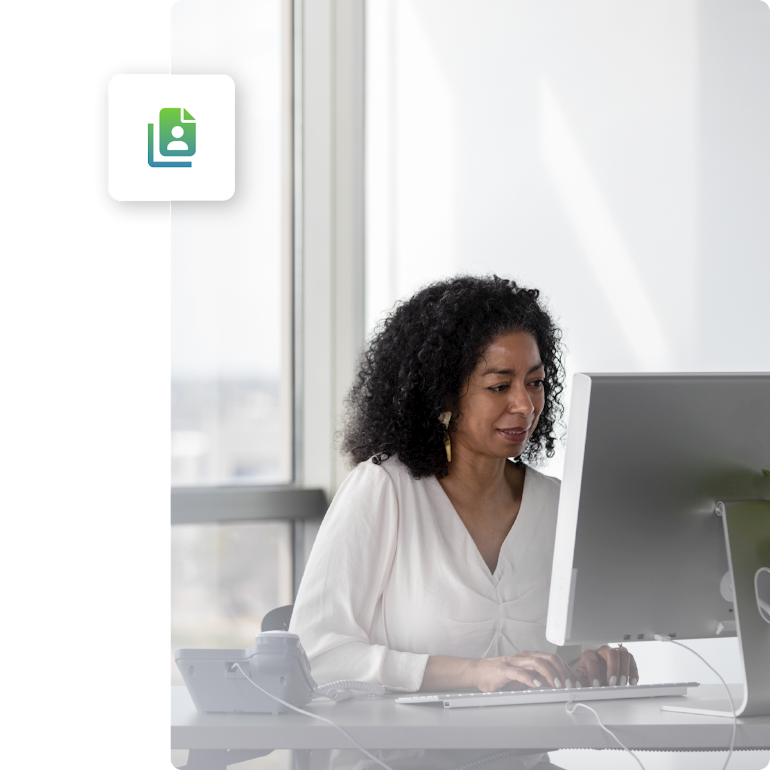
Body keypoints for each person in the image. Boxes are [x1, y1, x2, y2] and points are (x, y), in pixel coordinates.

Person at [289, 275, 638, 770]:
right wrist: (471, 672)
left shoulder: (557, 505)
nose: (525, 405)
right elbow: (316, 656)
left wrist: (587, 667)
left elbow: (552, 665)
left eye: (535, 382)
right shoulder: (386, 489)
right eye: (499, 385)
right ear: (444, 396)